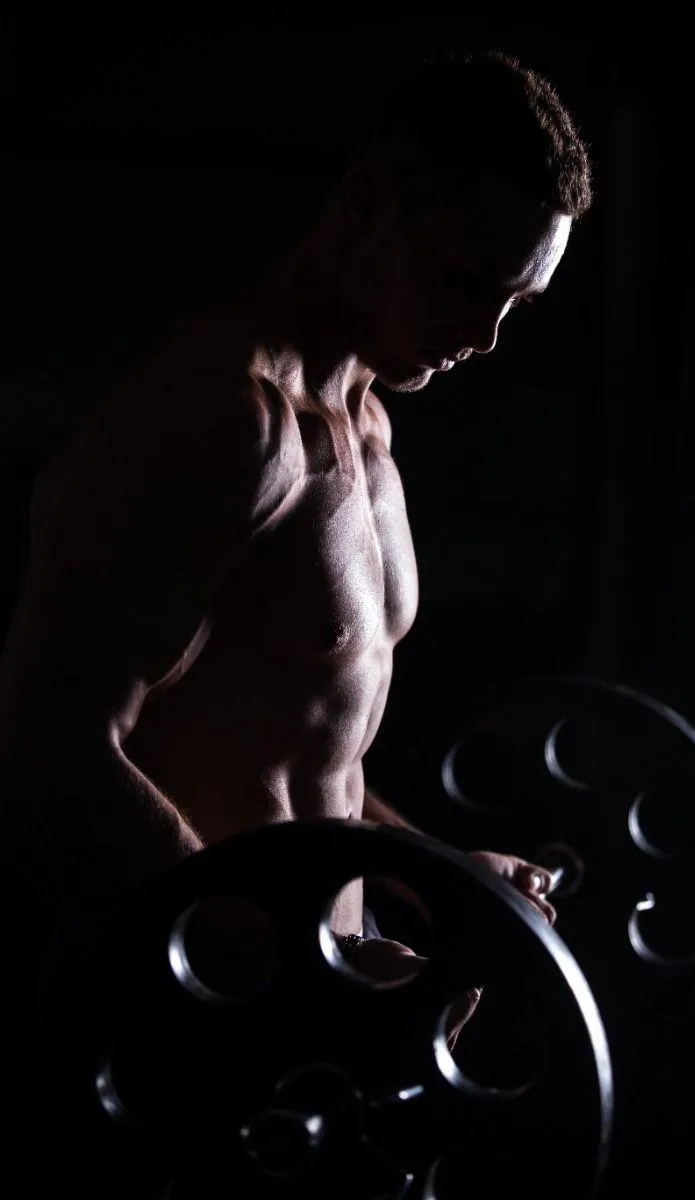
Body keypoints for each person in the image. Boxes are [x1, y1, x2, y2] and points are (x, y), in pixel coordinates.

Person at [0, 51, 591, 1015]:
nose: (485, 335)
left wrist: (436, 877)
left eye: (516, 302)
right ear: (365, 209)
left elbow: (313, 765)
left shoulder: (370, 431)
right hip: (183, 1017)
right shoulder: (218, 423)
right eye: (465, 278)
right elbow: (47, 754)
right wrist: (294, 972)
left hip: (302, 1015)